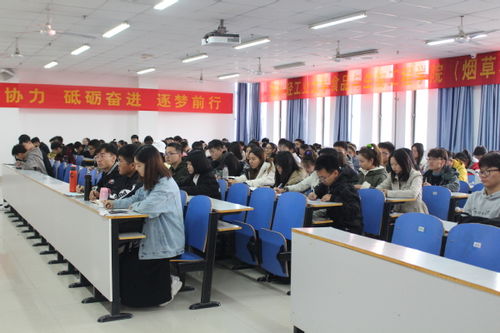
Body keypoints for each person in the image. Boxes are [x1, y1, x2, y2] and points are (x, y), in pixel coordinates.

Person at [104, 145, 184, 307]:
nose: (137, 169)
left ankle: (168, 289)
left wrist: (135, 205)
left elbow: (147, 208)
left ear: (151, 165)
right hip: (149, 236)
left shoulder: (165, 186)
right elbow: (134, 199)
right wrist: (113, 204)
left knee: (133, 283)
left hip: (163, 240)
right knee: (124, 265)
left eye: (140, 165)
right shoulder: (150, 181)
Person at [312, 154, 363, 234]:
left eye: (324, 177)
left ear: (335, 173)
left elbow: (353, 210)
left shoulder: (346, 186)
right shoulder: (329, 182)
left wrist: (333, 198)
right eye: (320, 178)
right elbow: (321, 188)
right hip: (334, 223)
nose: (322, 180)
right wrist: (315, 193)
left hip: (348, 229)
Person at [376, 149, 428, 213]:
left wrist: (388, 193)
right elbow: (379, 188)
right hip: (398, 211)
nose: (393, 167)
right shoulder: (392, 175)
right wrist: (380, 191)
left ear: (404, 163)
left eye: (396, 164)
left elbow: (413, 193)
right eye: (392, 164)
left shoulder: (416, 175)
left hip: (415, 212)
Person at [463, 152, 500, 218]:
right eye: (481, 172)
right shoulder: (474, 197)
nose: (483, 175)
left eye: (488, 171)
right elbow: (464, 224)